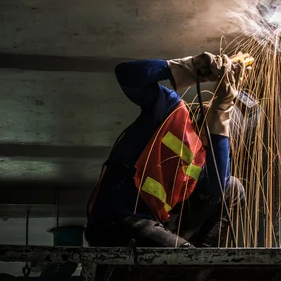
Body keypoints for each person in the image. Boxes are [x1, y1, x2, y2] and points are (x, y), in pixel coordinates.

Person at [85, 52, 248, 248]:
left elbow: (219, 187)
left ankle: (205, 261)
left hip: (155, 225)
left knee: (234, 188)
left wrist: (223, 110)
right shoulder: (170, 110)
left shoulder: (201, 162)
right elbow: (127, 75)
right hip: (118, 221)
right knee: (183, 256)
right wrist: (191, 66)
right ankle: (195, 260)